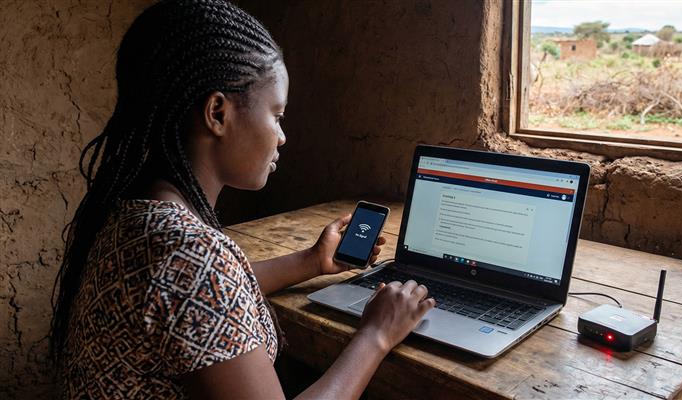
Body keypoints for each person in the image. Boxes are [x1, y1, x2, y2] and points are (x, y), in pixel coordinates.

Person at [49, 1, 435, 398]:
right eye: (277, 115)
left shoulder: (140, 212)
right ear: (217, 112)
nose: (282, 136)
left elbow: (202, 296)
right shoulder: (193, 255)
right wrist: (376, 334)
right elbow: (203, 282)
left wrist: (311, 261)